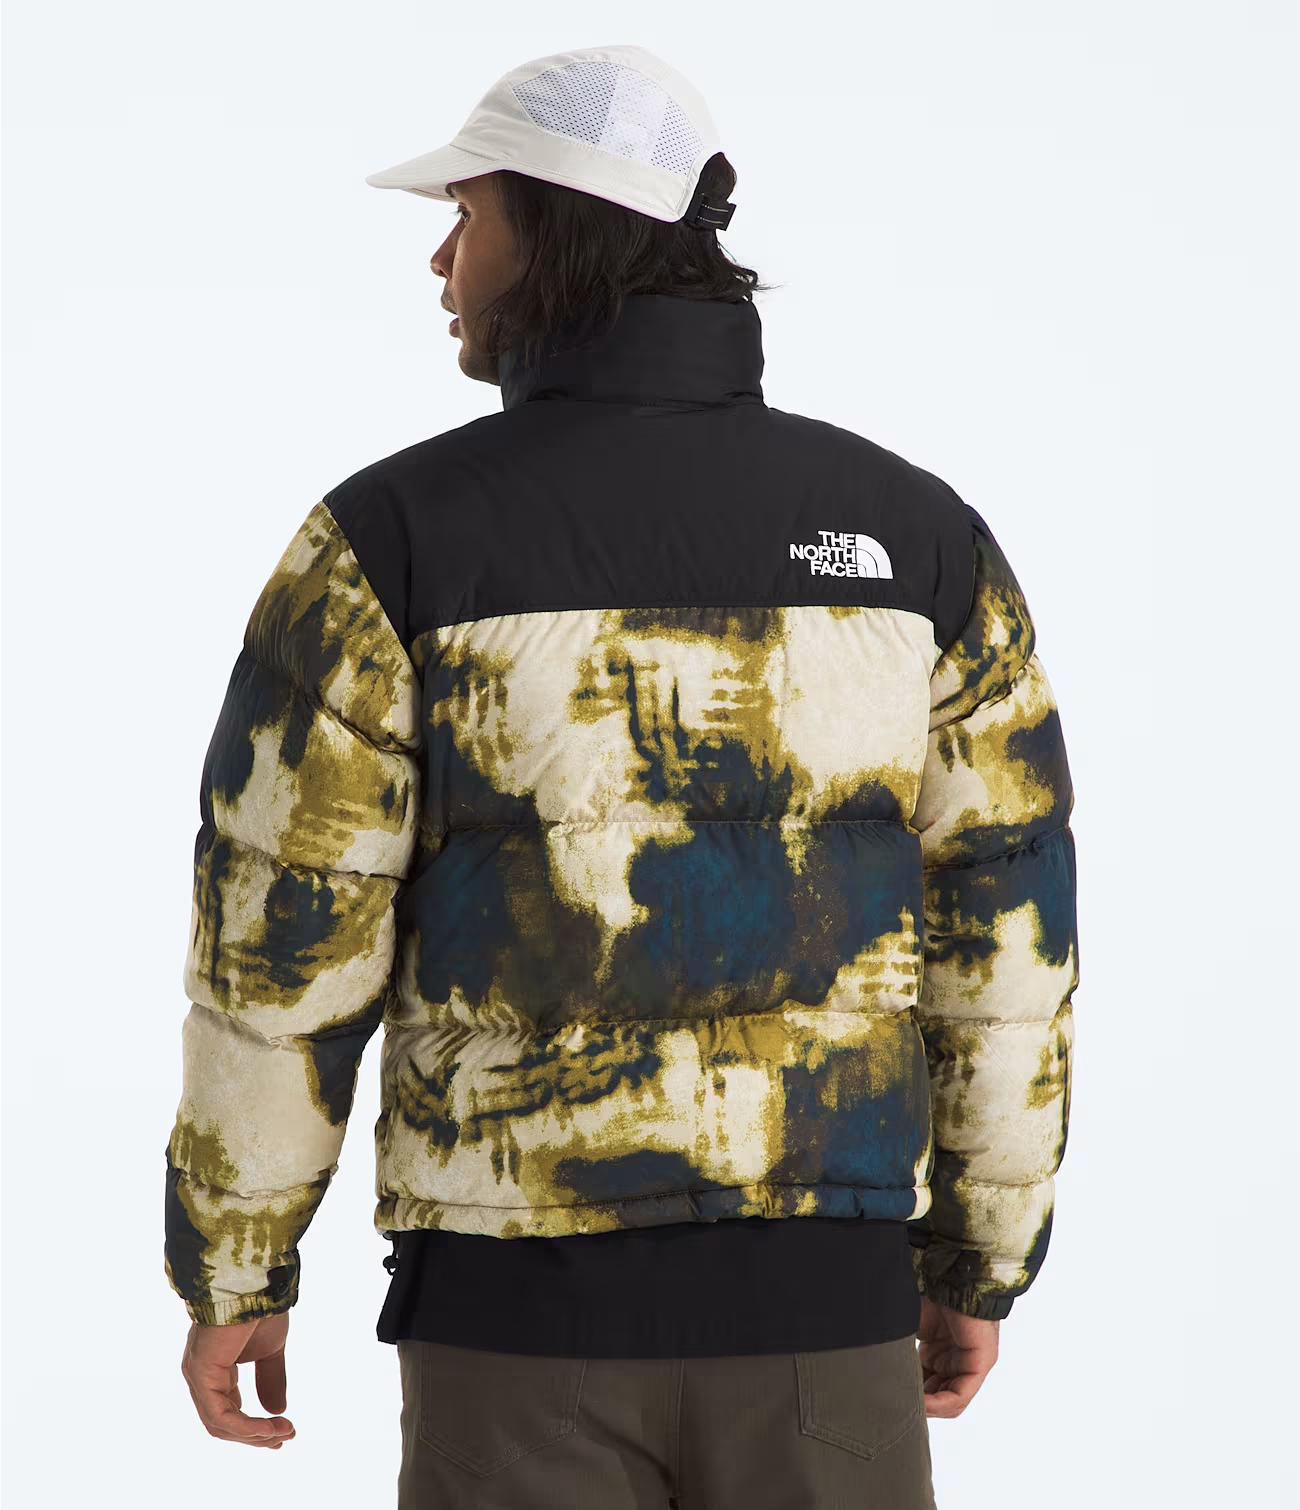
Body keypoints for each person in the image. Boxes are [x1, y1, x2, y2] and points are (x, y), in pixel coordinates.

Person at [164, 42, 1078, 1509]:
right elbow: (1009, 945)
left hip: (514, 1333)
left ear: (555, 227)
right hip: (826, 1319)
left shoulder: (388, 542)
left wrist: (235, 1264)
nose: (441, 259)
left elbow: (281, 951)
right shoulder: (918, 542)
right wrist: (980, 1254)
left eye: (467, 215)